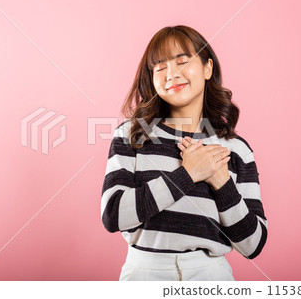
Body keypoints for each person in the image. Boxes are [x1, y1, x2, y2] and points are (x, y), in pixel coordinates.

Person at [100, 25, 268, 281]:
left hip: (211, 277)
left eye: (182, 61)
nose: (171, 74)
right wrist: (188, 174)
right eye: (160, 67)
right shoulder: (132, 135)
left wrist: (221, 181)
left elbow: (253, 245)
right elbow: (113, 215)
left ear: (207, 68)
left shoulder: (237, 149)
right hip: (144, 274)